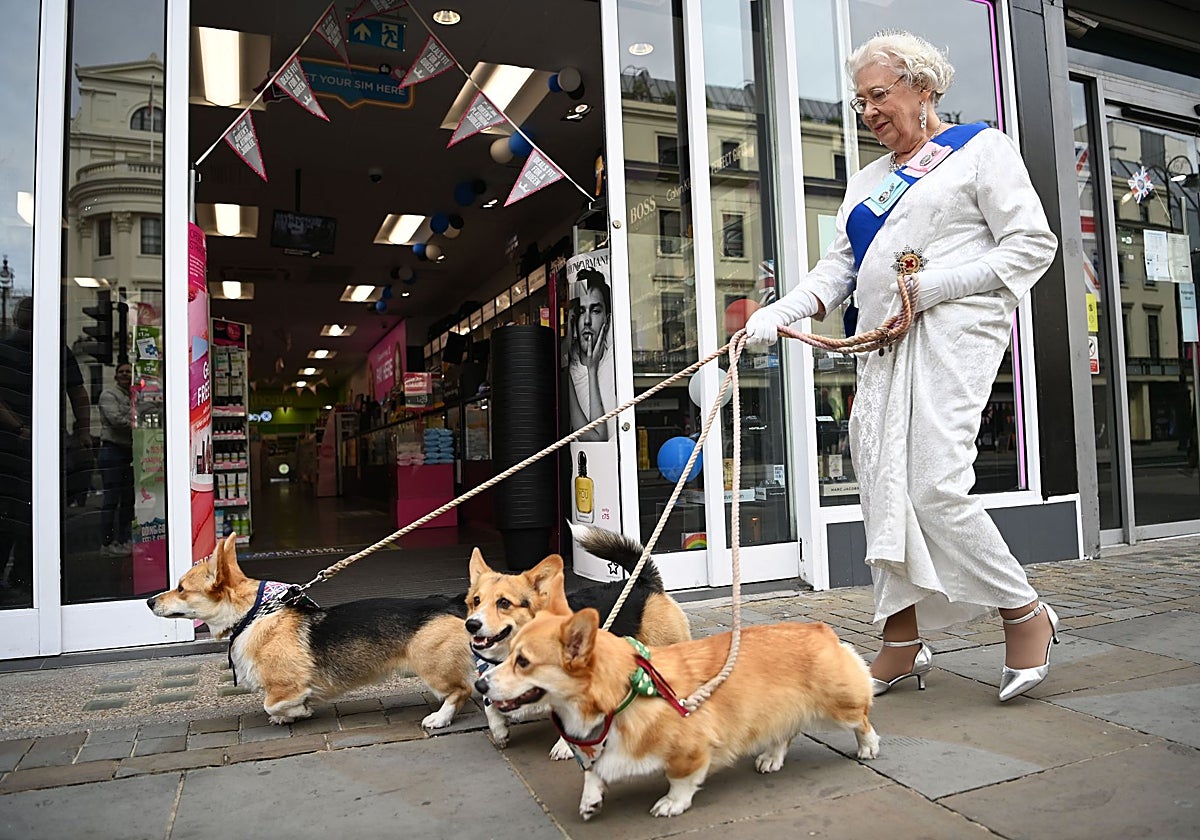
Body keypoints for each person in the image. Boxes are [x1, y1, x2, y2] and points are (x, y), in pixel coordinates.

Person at [745, 31, 1060, 702]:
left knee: (933, 486)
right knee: (883, 489)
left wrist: (935, 286)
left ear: (925, 88)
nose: (869, 113)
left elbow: (1034, 244)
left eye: (879, 96)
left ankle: (1024, 610)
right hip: (882, 351)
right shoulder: (870, 180)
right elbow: (842, 269)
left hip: (952, 339)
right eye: (860, 102)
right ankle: (900, 639)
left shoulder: (980, 149)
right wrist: (781, 312)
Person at [567, 268, 614, 442]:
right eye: (581, 312)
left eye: (595, 311)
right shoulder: (569, 370)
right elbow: (596, 439)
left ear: (606, 320)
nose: (587, 320)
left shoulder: (615, 361)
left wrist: (593, 370)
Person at [98, 361, 134, 552]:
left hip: (129, 451)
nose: (125, 375)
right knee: (111, 499)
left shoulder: (135, 395)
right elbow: (116, 420)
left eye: (128, 372)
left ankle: (123, 539)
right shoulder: (109, 395)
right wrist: (137, 420)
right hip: (112, 451)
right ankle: (107, 542)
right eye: (121, 372)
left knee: (128, 500)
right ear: (115, 375)